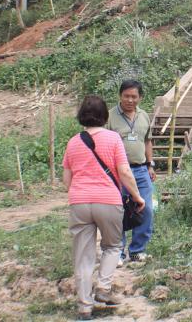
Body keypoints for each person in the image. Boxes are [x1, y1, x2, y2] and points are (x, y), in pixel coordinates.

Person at [63, 95, 145, 318]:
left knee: (83, 255)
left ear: (82, 115)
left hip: (79, 202)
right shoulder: (113, 138)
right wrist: (138, 197)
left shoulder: (72, 142)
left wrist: (80, 193)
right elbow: (125, 172)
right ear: (104, 116)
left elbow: (67, 180)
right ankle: (103, 287)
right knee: (112, 246)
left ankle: (84, 306)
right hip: (108, 200)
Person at [107, 79, 155, 264]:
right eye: (126, 96)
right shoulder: (110, 117)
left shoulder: (144, 116)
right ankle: (117, 253)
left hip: (141, 170)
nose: (129, 100)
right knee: (118, 211)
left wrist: (150, 165)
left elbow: (147, 141)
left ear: (140, 98)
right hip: (117, 172)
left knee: (147, 209)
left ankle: (137, 250)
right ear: (120, 96)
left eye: (134, 96)